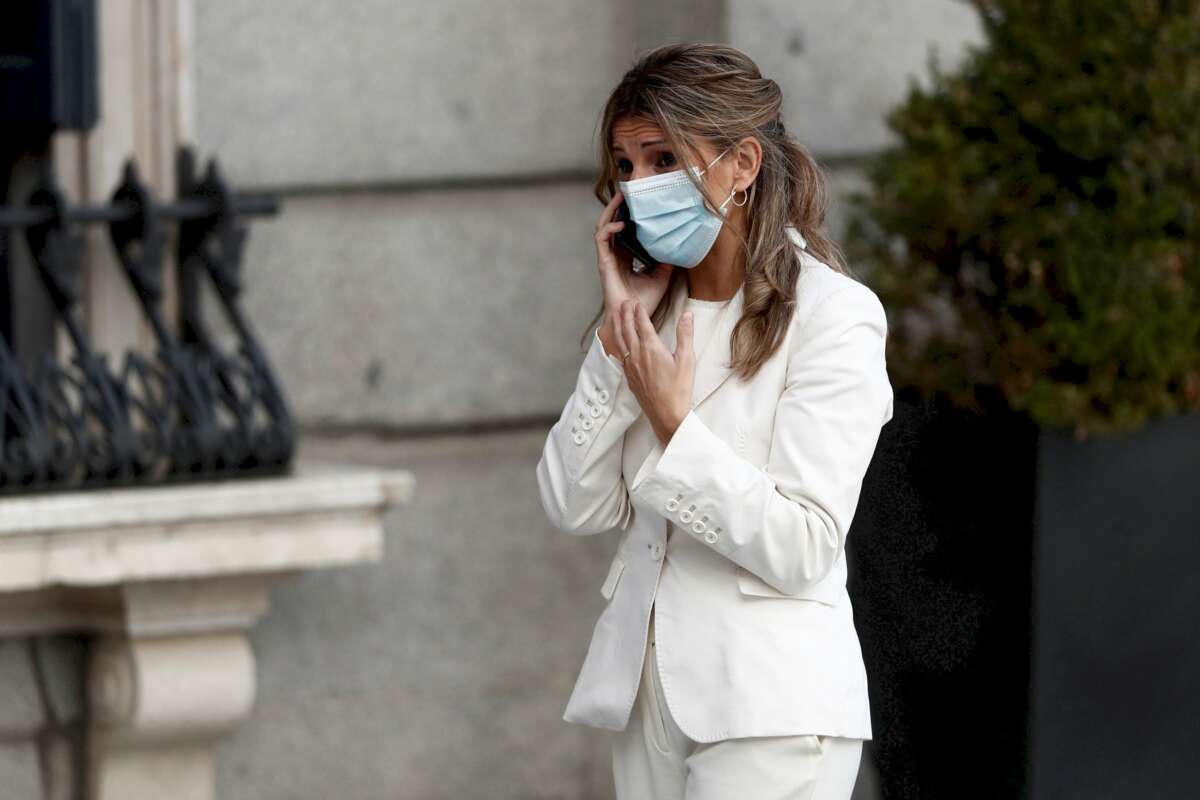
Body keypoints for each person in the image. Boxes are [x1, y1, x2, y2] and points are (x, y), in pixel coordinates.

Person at [535, 42, 894, 800]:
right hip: (647, 700)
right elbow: (574, 505)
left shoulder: (835, 316)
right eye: (626, 166)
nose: (639, 186)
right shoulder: (648, 315)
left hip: (773, 706)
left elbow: (804, 544)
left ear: (743, 164)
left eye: (663, 157)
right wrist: (616, 339)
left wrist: (674, 423)